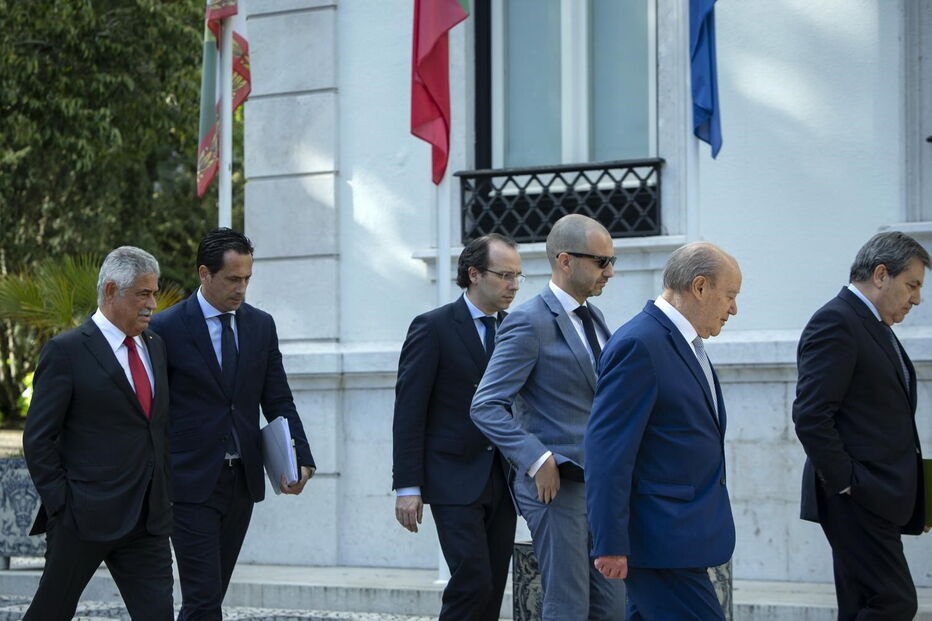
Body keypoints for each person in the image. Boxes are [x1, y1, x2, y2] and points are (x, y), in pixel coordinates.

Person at [150, 228, 316, 620]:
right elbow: (153, 409)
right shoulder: (165, 328)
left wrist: (301, 457)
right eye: (232, 279)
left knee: (208, 596)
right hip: (189, 483)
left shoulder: (261, 326)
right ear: (205, 274)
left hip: (241, 482)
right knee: (204, 598)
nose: (241, 289)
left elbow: (278, 398)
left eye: (247, 279)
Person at [470, 214, 624, 619]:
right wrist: (538, 459)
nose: (610, 271)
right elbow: (486, 404)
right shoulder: (528, 321)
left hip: (601, 485)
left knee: (612, 606)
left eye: (612, 260)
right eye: (600, 261)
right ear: (565, 260)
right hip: (557, 488)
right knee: (568, 606)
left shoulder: (596, 318)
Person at [586, 241, 740, 620]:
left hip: (680, 537)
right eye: (730, 296)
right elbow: (607, 451)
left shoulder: (686, 344)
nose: (734, 309)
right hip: (660, 542)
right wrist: (609, 543)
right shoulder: (641, 343)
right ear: (700, 287)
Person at [22, 246, 173, 620]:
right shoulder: (66, 351)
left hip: (147, 520)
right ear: (110, 291)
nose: (152, 303)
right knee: (50, 613)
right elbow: (38, 439)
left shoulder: (156, 347)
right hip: (83, 518)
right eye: (143, 293)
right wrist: (64, 505)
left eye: (154, 292)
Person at [793, 231, 929, 620]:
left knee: (861, 604)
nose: (917, 299)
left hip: (876, 493)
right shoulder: (837, 321)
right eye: (912, 285)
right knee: (893, 601)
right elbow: (811, 415)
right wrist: (848, 482)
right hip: (857, 496)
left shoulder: (874, 325)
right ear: (881, 274)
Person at [392, 234, 521, 620]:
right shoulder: (432, 328)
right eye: (504, 275)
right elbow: (409, 411)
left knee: (493, 586)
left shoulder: (515, 330)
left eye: (518, 276)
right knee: (473, 580)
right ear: (474, 274)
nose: (513, 285)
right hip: (452, 479)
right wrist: (407, 486)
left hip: (505, 479)